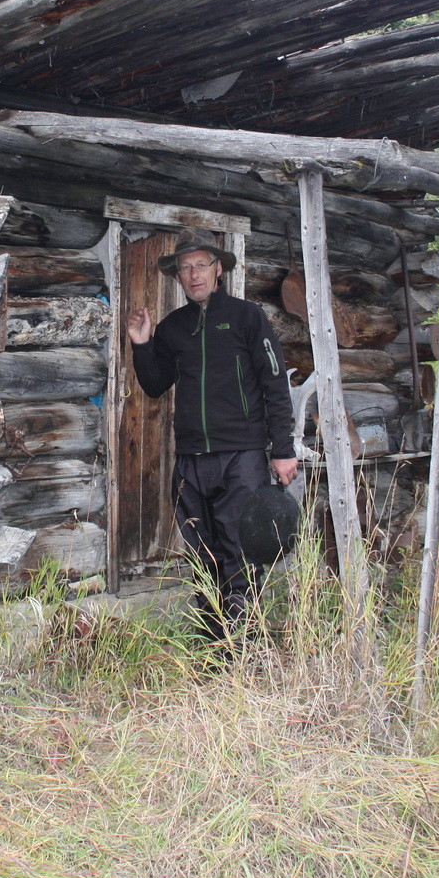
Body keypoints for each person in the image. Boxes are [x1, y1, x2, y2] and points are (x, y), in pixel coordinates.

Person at [125, 229, 298, 642]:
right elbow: (154, 385)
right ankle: (213, 645)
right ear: (178, 277)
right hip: (190, 460)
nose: (193, 274)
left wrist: (283, 450)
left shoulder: (247, 317)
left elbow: (275, 383)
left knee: (240, 550)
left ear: (218, 268)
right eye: (185, 268)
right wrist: (143, 344)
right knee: (202, 554)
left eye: (201, 265)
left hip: (241, 456)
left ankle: (243, 646)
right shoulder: (173, 327)